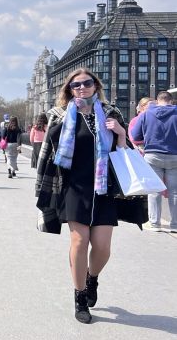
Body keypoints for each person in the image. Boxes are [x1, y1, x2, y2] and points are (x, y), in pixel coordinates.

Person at [35, 68, 146, 324]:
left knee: (103, 247)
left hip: (103, 188)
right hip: (74, 187)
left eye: (87, 83)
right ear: (69, 90)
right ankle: (80, 297)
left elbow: (123, 151)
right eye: (76, 85)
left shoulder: (110, 113)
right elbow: (48, 156)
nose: (82, 88)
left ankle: (91, 278)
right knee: (79, 242)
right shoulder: (60, 116)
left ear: (96, 86)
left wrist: (120, 132)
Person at [130, 91, 177, 233]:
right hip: (175, 156)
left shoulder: (146, 114)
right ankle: (175, 225)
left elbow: (136, 135)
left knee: (154, 190)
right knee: (174, 191)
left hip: (152, 155)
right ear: (171, 101)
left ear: (157, 101)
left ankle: (155, 223)